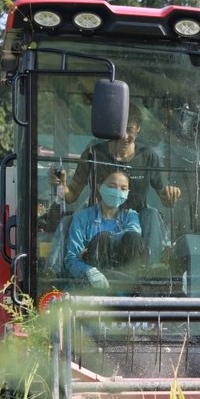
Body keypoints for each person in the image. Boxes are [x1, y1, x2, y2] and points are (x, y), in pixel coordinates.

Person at [49, 102, 181, 212]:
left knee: (151, 215)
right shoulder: (94, 154)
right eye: (119, 129)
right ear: (111, 127)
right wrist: (61, 185)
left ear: (138, 128)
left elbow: (166, 200)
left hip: (135, 225)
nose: (124, 136)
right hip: (100, 225)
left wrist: (171, 195)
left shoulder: (148, 156)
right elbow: (71, 195)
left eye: (129, 129)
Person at [64, 170, 146, 290]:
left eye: (123, 188)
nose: (117, 192)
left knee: (129, 237)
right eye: (112, 187)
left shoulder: (131, 216)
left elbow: (133, 240)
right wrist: (89, 271)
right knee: (102, 238)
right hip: (95, 284)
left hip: (128, 283)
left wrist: (88, 253)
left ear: (128, 193)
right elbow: (71, 258)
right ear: (99, 187)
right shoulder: (82, 218)